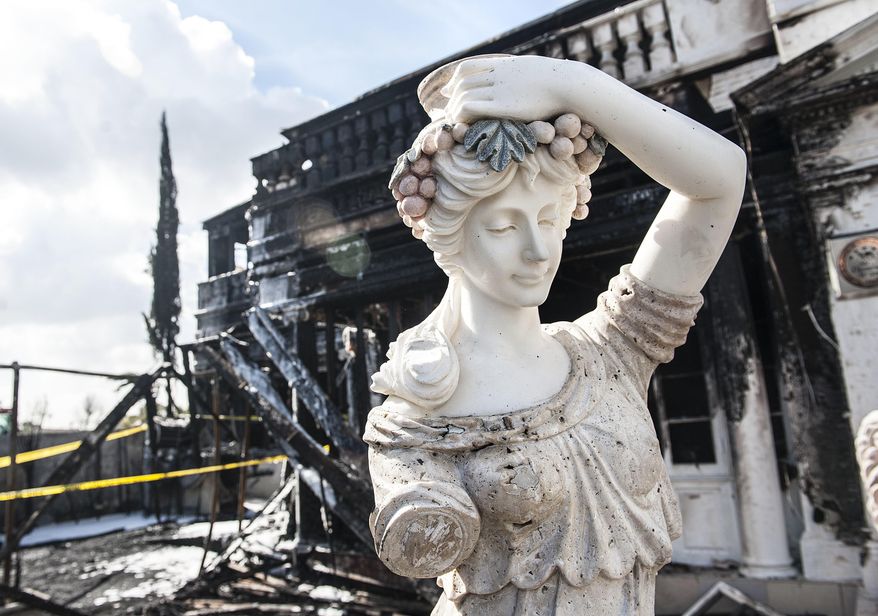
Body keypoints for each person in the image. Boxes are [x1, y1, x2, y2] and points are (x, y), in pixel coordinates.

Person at [363, 55, 746, 615]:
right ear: (451, 236)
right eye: (502, 226)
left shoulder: (614, 348)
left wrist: (572, 84)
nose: (539, 250)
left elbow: (720, 180)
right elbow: (418, 537)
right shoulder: (419, 408)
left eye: (549, 220)